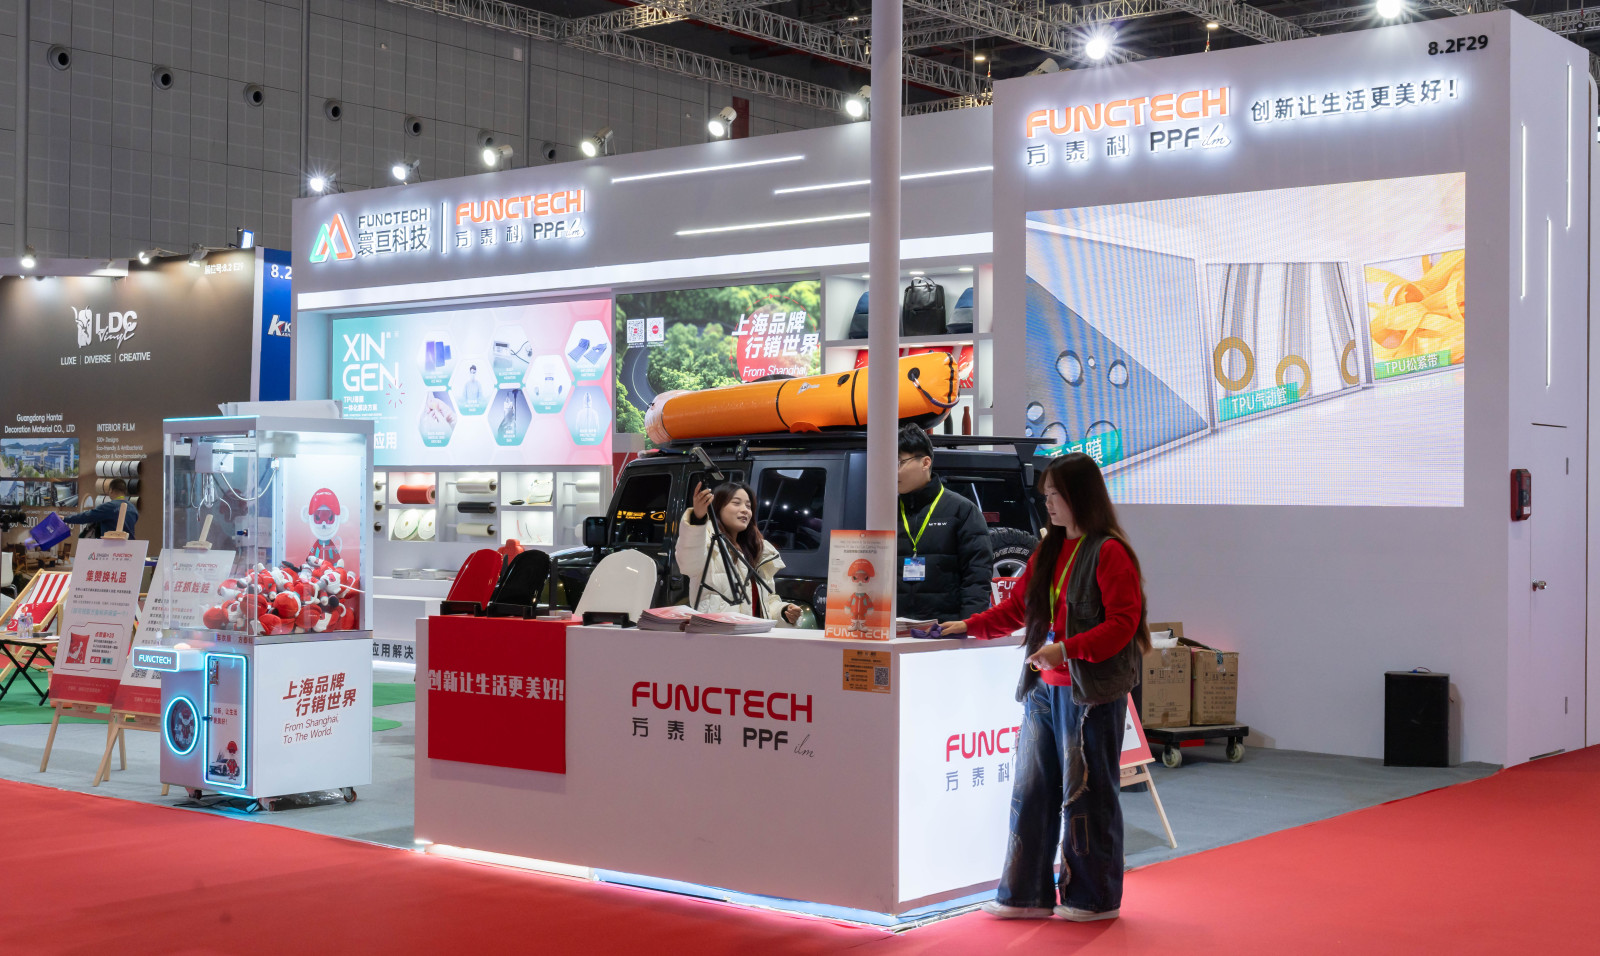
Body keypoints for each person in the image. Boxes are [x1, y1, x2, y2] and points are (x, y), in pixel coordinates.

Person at [940, 452, 1151, 922]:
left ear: (1081, 496)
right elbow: (1017, 609)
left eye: (1056, 494)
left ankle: (1093, 898)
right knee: (1031, 792)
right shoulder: (1048, 550)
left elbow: (1123, 625)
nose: (1048, 503)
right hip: (1043, 689)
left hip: (1089, 694)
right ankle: (1024, 894)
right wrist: (970, 625)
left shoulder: (1109, 551)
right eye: (1046, 495)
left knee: (1088, 795)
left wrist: (1067, 650)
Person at [896, 423, 993, 621]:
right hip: (893, 629)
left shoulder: (962, 510)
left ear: (925, 463)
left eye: (899, 462)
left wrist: (968, 627)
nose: (892, 471)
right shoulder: (884, 512)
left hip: (945, 629)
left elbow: (977, 577)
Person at [675, 481, 803, 625]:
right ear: (718, 507)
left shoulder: (758, 550)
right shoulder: (706, 541)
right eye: (736, 503)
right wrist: (697, 519)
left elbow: (766, 603)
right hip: (717, 635)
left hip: (753, 635)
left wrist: (784, 612)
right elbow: (688, 563)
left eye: (748, 506)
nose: (745, 510)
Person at [63, 479, 138, 538]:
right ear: (125, 492)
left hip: (110, 547)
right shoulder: (133, 508)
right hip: (129, 548)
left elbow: (85, 517)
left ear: (111, 490)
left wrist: (65, 518)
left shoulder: (108, 507)